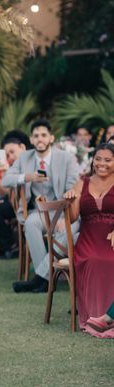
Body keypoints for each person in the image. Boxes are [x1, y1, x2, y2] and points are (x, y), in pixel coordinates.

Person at [5, 119, 80, 293]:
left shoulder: (66, 158)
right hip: (38, 212)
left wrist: (66, 212)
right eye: (36, 135)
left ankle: (41, 278)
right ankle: (46, 279)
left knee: (75, 226)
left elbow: (73, 183)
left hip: (62, 210)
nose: (40, 139)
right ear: (31, 139)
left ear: (51, 138)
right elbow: (6, 179)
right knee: (30, 224)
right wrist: (27, 177)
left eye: (44, 135)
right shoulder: (24, 157)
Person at [64, 143, 114, 337]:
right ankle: (95, 316)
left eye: (108, 160)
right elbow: (73, 217)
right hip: (89, 239)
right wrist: (70, 202)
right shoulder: (82, 182)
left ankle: (108, 317)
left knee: (110, 259)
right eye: (98, 159)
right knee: (93, 259)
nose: (102, 164)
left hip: (111, 239)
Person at [0, 130, 29, 259]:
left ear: (23, 147)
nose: (10, 157)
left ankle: (8, 245)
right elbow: (3, 191)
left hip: (26, 205)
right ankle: (6, 244)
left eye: (12, 152)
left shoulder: (30, 163)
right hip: (14, 203)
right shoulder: (12, 166)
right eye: (7, 154)